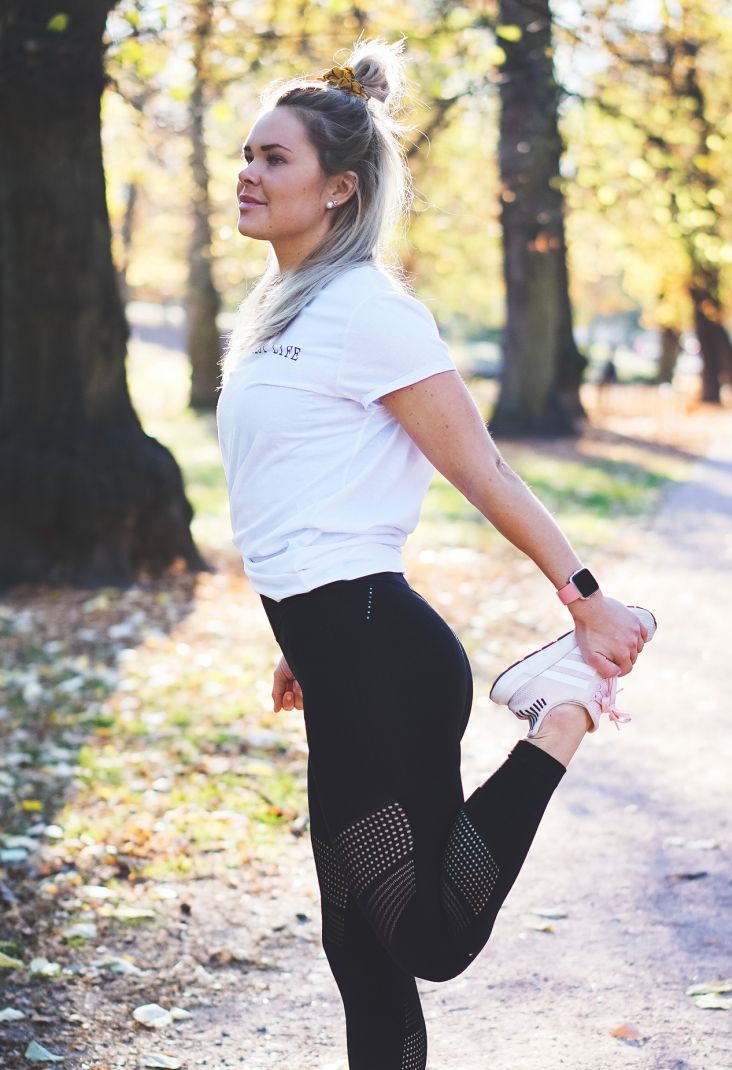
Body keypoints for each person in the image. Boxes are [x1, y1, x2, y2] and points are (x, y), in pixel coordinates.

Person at [216, 40, 652, 1070]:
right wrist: (298, 643)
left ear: (338, 187)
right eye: (246, 153)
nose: (247, 172)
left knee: (429, 935)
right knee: (361, 952)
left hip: (384, 654)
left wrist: (585, 600)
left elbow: (483, 468)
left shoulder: (370, 310)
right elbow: (300, 492)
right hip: (336, 649)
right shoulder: (276, 312)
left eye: (274, 158)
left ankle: (563, 707)